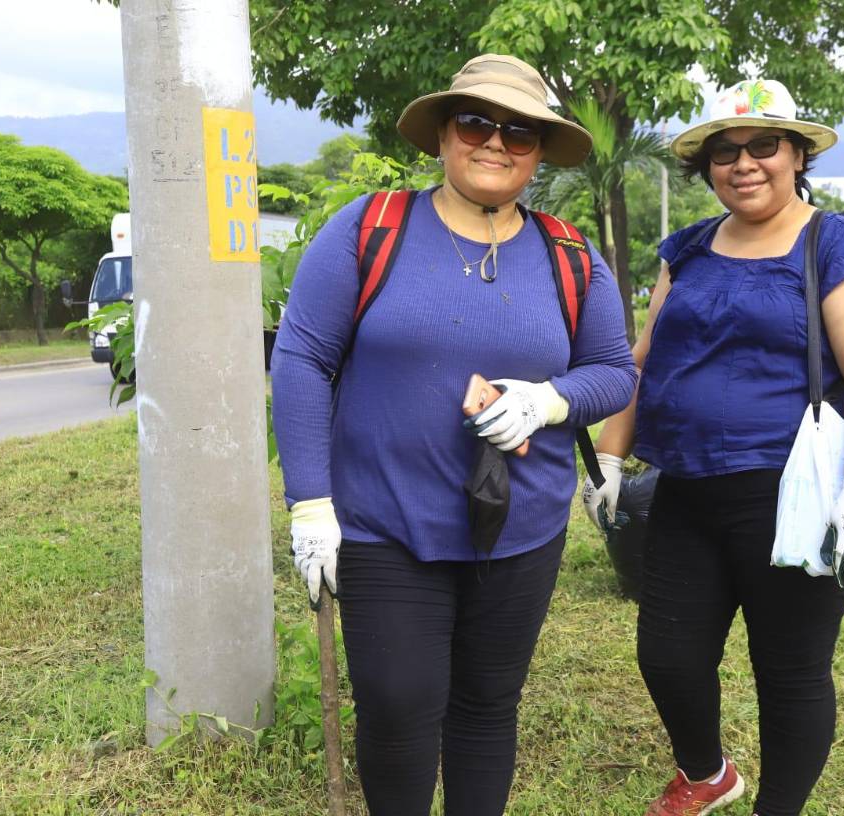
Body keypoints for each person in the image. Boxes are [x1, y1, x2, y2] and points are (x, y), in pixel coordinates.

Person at [271, 53, 637, 816]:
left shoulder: (571, 256)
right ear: (442, 133)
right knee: (396, 704)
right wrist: (309, 502)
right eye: (475, 123)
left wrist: (551, 400)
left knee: (486, 703)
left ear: (539, 152)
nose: (496, 142)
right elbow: (302, 357)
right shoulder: (370, 229)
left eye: (520, 131)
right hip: (383, 522)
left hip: (521, 526)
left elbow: (613, 371)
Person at [582, 79, 844, 816]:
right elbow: (642, 362)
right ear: (708, 168)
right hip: (685, 490)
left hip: (792, 496)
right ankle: (707, 774)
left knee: (789, 671)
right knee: (667, 655)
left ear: (797, 155)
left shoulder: (841, 247)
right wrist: (608, 457)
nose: (745, 163)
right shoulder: (689, 250)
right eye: (725, 152)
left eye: (764, 145)